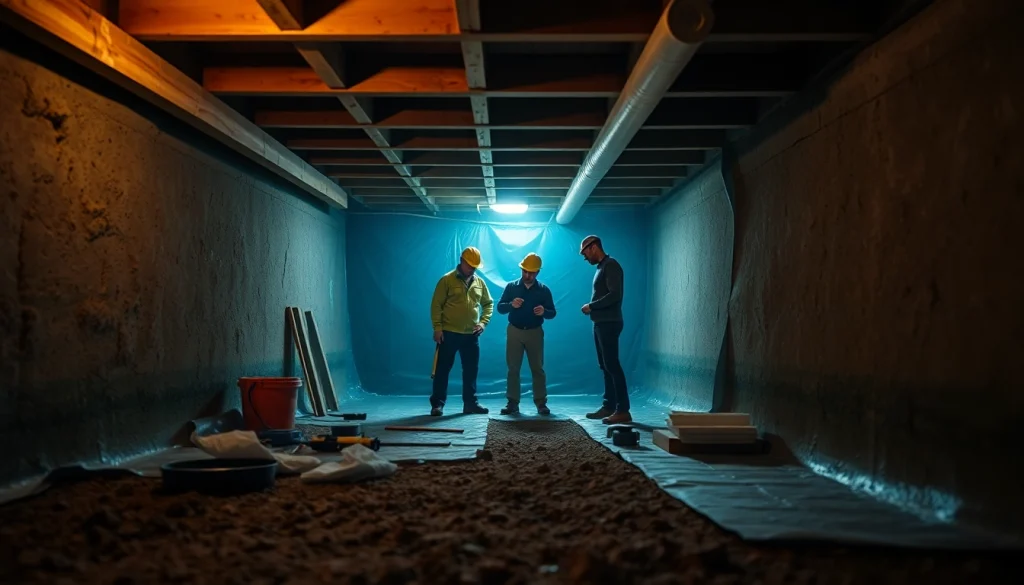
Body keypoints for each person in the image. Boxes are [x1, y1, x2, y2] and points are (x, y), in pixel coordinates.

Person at [429, 246, 493, 416]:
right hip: (448, 333)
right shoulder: (447, 280)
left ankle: (470, 404)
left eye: (475, 267)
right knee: (442, 369)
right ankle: (437, 405)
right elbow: (436, 305)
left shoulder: (480, 283)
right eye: (469, 265)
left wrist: (483, 323)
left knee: (471, 370)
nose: (472, 269)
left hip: (471, 335)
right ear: (461, 261)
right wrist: (437, 328)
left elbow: (488, 304)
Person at [579, 235, 631, 424]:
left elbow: (615, 295)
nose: (585, 258)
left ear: (593, 247)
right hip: (601, 322)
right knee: (605, 366)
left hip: (609, 322)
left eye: (585, 253)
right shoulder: (602, 267)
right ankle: (609, 406)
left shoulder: (611, 265)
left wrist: (592, 306)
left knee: (612, 365)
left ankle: (623, 410)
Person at [496, 253, 556, 416]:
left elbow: (552, 313)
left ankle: (541, 403)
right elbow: (500, 308)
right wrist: (511, 305)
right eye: (525, 271)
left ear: (537, 272)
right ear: (521, 269)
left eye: (531, 272)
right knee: (513, 368)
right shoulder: (511, 287)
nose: (527, 275)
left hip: (535, 332)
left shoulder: (543, 290)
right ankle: (512, 403)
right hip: (514, 330)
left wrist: (544, 311)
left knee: (537, 368)